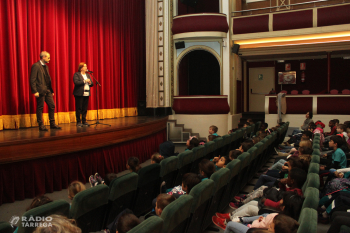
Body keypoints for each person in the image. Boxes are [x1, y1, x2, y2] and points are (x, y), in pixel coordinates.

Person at [30, 51, 61, 131]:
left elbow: (48, 79)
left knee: (52, 106)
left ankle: (52, 124)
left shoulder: (46, 67)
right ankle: (41, 125)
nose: (49, 59)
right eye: (48, 57)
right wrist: (34, 91)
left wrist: (51, 90)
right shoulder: (36, 66)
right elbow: (32, 79)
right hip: (40, 90)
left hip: (48, 90)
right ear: (43, 57)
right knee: (40, 107)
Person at [73, 62, 94, 127]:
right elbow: (76, 82)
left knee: (85, 108)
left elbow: (92, 84)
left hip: (87, 93)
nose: (86, 67)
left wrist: (90, 82)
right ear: (81, 68)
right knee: (79, 108)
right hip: (79, 93)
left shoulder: (88, 75)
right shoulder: (77, 74)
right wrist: (85, 81)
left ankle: (84, 121)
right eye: (85, 66)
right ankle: (78, 121)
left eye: (86, 66)